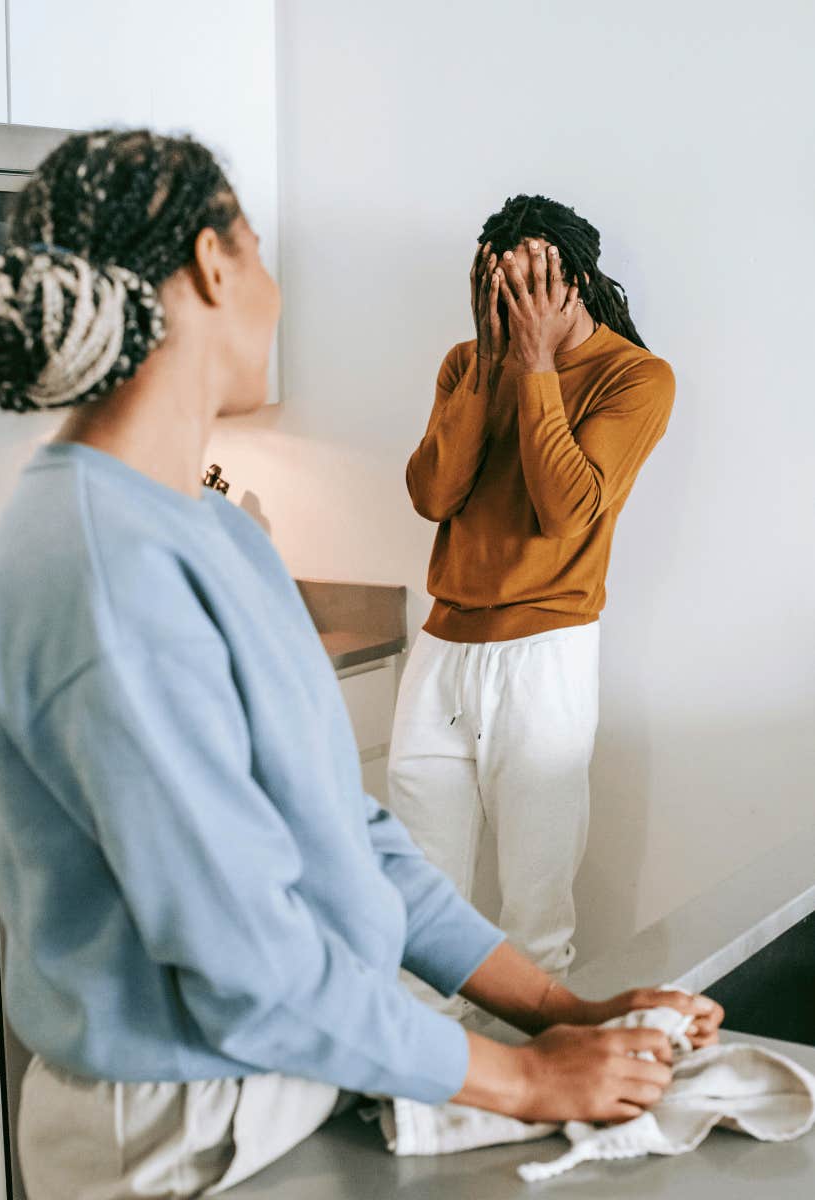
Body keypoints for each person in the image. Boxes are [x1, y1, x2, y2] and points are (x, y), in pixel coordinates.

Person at [0, 137, 721, 1200]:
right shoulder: (100, 562)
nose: (277, 294)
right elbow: (244, 955)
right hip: (173, 1131)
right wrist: (517, 1080)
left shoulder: (209, 533)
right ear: (213, 265)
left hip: (276, 1076)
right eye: (262, 253)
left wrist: (557, 1015)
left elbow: (351, 839)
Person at [389, 195, 676, 1001]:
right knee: (418, 907)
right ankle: (422, 1103)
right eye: (494, 289)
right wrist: (490, 358)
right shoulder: (466, 361)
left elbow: (566, 509)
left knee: (534, 917)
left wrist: (538, 364)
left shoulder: (636, 377)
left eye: (527, 289)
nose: (509, 308)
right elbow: (433, 494)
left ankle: (536, 1094)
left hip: (544, 658)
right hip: (442, 652)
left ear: (572, 283)